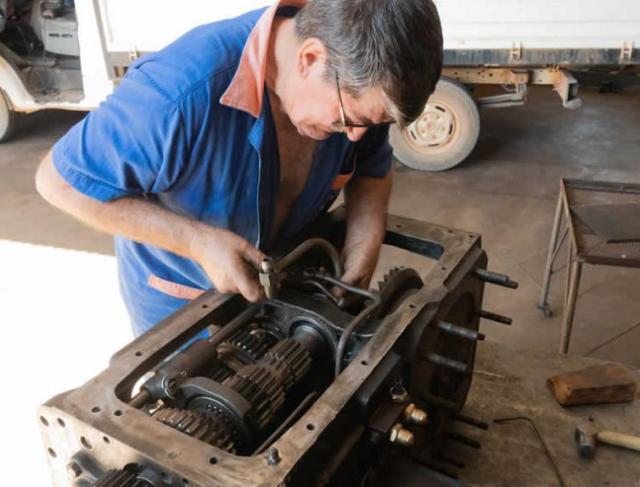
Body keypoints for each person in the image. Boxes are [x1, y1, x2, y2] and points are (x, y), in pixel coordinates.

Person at [35, 0, 443, 336]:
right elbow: (58, 183)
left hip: (292, 290)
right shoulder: (178, 93)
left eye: (370, 124)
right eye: (348, 120)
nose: (355, 135)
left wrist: (364, 241)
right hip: (188, 312)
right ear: (310, 58)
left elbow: (371, 168)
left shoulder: (354, 89)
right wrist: (197, 242)